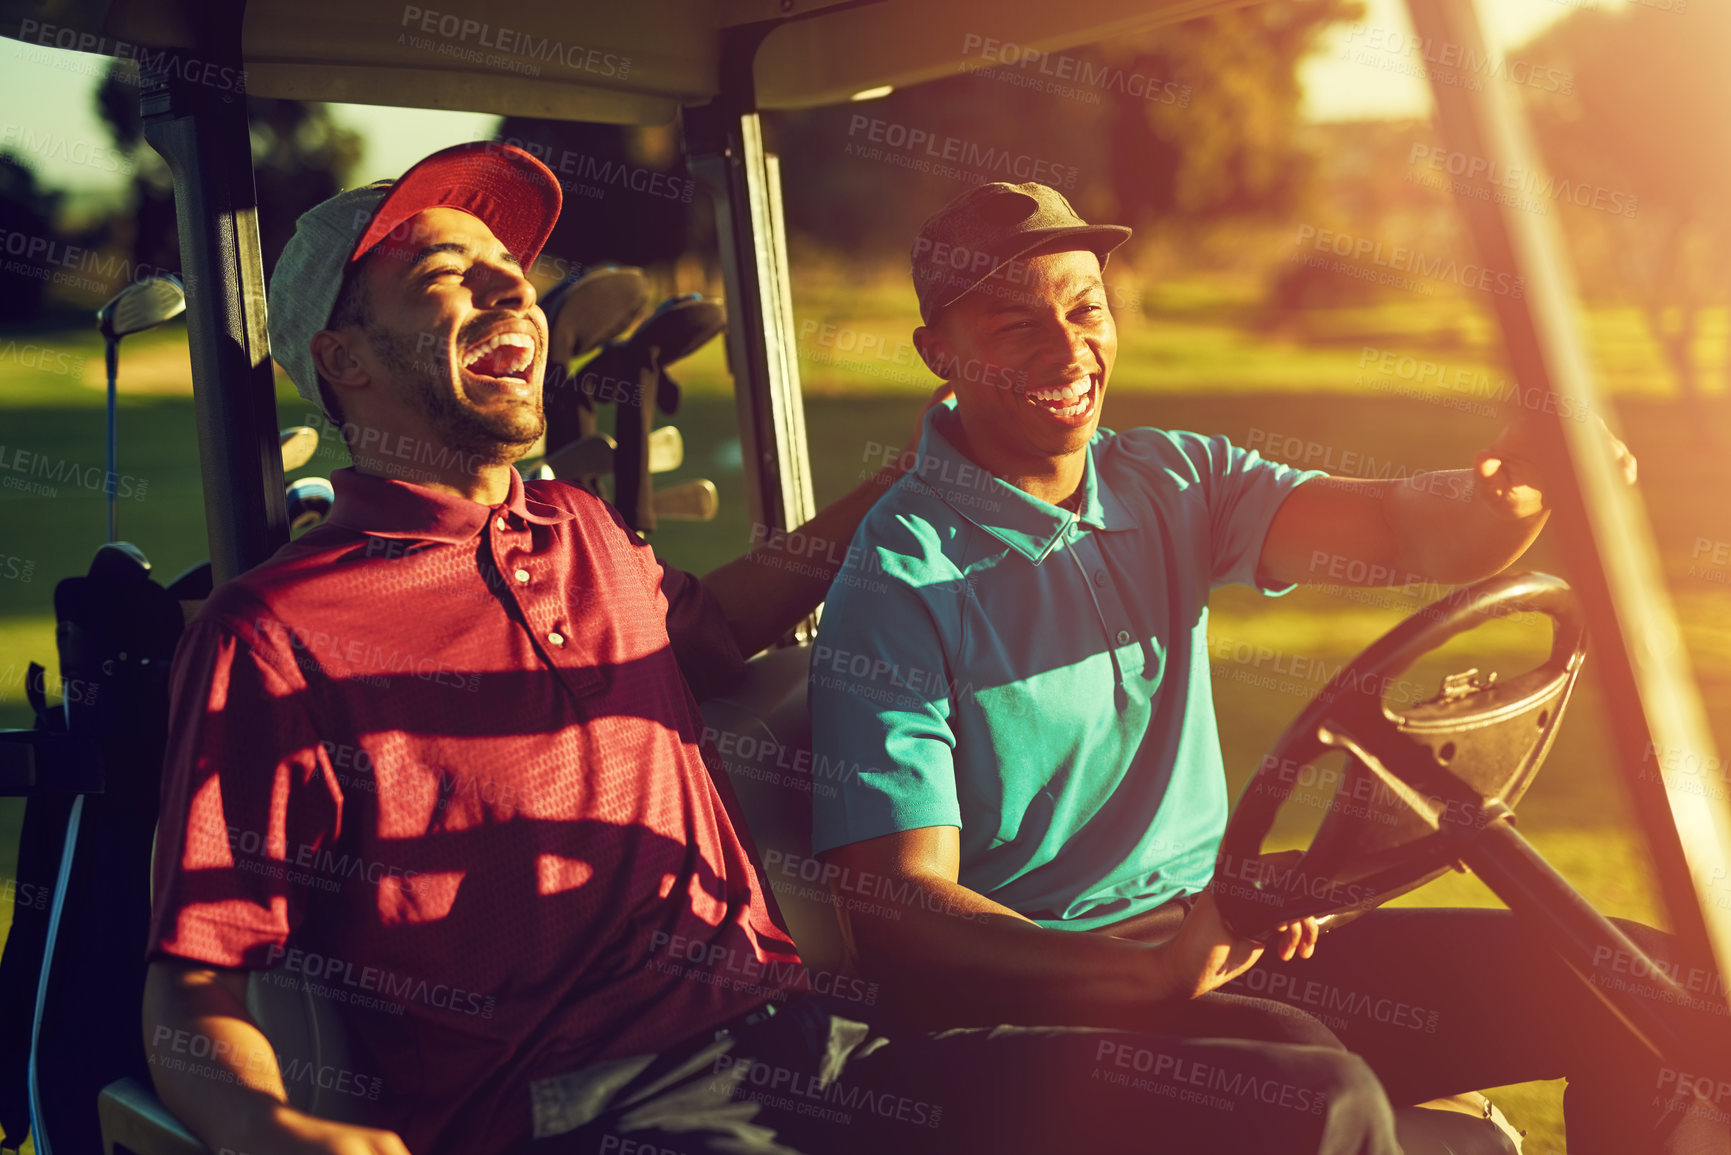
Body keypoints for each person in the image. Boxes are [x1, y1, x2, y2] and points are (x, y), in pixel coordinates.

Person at [142, 143, 1404, 1155]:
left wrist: (939, 460)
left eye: (509, 271)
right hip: (594, 1108)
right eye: (444, 281)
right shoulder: (279, 637)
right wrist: (274, 1127)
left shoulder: (578, 531)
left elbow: (721, 622)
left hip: (810, 1052)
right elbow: (196, 980)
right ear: (343, 363)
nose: (508, 288)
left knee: (1305, 1096)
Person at [807, 180, 1729, 1155]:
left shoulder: (1168, 477)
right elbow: (898, 904)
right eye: (1014, 323)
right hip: (1072, 996)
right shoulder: (901, 574)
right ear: (938, 355)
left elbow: (1395, 529)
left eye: (1086, 309)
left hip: (1228, 934)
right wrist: (1151, 973)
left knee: (1648, 988)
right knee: (1313, 1092)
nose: (1070, 348)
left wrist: (1510, 487)